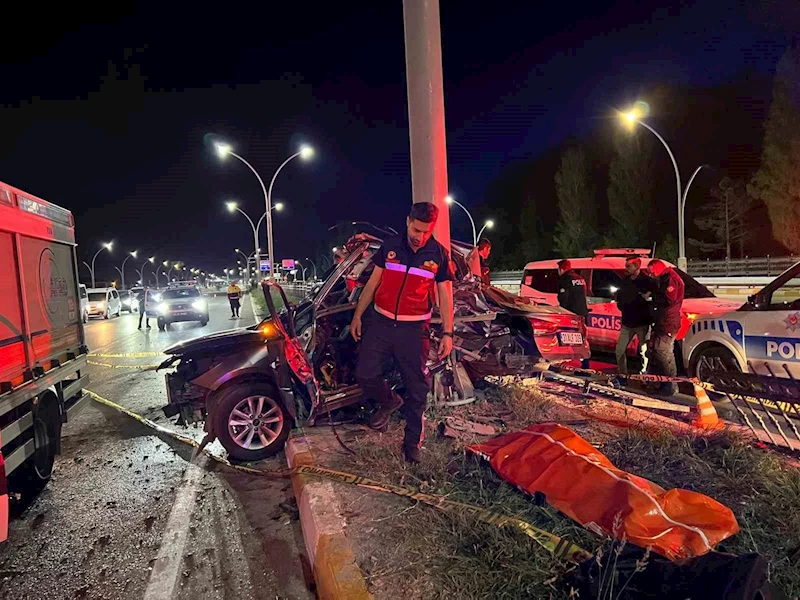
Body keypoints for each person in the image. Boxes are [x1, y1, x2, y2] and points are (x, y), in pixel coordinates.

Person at [350, 202, 454, 464]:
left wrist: (448, 333)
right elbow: (373, 283)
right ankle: (390, 400)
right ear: (408, 221)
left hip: (414, 330)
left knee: (417, 389)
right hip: (381, 323)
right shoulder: (390, 247)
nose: (420, 237)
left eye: (426, 232)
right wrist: (358, 315)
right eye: (417, 230)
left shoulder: (439, 255)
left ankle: (411, 445)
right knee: (365, 373)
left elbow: (445, 295)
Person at [647, 259, 685, 396]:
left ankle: (670, 385)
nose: (650, 275)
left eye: (651, 272)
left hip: (668, 322)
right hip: (664, 321)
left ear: (657, 269)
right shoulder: (664, 278)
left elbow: (669, 299)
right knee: (661, 352)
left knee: (663, 352)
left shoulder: (670, 280)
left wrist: (653, 298)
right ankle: (665, 383)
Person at [614, 256, 654, 375]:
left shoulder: (647, 281)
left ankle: (644, 373)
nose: (625, 268)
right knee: (619, 350)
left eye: (628, 266)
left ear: (637, 267)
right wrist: (621, 307)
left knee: (643, 351)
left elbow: (654, 298)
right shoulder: (625, 281)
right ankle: (622, 374)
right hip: (627, 322)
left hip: (642, 322)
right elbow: (619, 297)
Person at [557, 259, 590, 369]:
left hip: (570, 314)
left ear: (561, 269)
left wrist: (562, 311)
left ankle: (561, 361)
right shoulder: (580, 278)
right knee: (583, 338)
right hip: (583, 314)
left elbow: (564, 298)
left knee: (565, 338)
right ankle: (585, 363)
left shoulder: (564, 279)